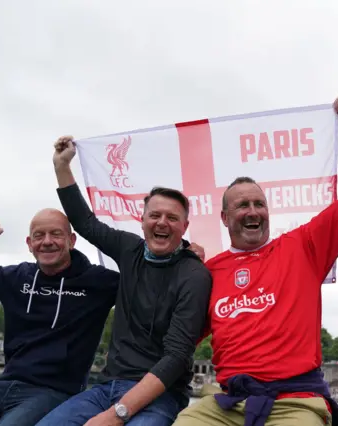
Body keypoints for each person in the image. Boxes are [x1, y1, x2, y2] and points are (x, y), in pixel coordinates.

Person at [172, 94, 338, 426]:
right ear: (225, 217)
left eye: (259, 204)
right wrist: (177, 270)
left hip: (296, 402)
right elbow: (176, 332)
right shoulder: (208, 272)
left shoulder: (304, 245)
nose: (252, 211)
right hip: (228, 403)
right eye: (242, 206)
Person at [38, 136, 213, 426]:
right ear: (141, 220)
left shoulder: (194, 275)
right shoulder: (129, 248)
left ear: (185, 227)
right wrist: (61, 167)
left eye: (172, 218)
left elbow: (176, 357)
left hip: (161, 395)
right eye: (154, 215)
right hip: (107, 387)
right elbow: (85, 223)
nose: (162, 222)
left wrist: (116, 415)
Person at [0, 209, 120, 426]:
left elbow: (146, 286)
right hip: (3, 385)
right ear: (29, 243)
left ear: (71, 240)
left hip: (54, 392)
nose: (47, 242)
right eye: (38, 235)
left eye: (55, 234)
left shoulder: (99, 282)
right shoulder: (16, 277)